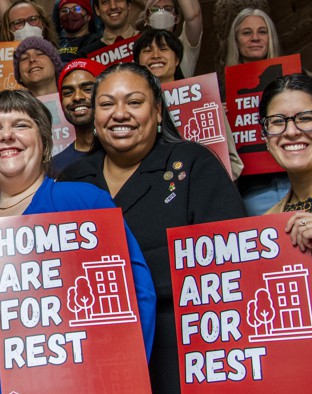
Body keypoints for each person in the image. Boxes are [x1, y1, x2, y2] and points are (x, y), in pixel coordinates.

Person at [0, 89, 156, 393]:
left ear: (44, 141)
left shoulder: (82, 201)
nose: (6, 135)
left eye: (20, 125)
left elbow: (136, 298)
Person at [58, 63, 246, 393]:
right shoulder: (72, 179)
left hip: (182, 348)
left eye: (133, 102)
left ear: (157, 112)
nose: (119, 114)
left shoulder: (192, 164)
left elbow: (231, 265)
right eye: (106, 104)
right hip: (91, 353)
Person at [133, 29, 244, 180]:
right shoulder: (132, 108)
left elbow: (233, 161)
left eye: (164, 49)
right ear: (138, 62)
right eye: (147, 50)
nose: (156, 55)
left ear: (177, 59)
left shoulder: (204, 98)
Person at [223, 8, 287, 215]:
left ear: (271, 37)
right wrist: (219, 118)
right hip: (253, 190)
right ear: (236, 40)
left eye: (262, 31)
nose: (255, 38)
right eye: (247, 33)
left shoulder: (295, 76)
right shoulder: (220, 91)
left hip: (296, 179)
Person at [261, 74, 312, 231]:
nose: (291, 132)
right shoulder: (267, 226)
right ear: (265, 136)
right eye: (277, 121)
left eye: (305, 118)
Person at [52, 58, 106, 177]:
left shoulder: (125, 153)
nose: (77, 97)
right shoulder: (55, 167)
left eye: (87, 89)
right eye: (67, 92)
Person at [136, 0, 203, 78]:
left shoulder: (184, 46)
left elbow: (193, 16)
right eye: (155, 9)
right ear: (147, 19)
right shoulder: (139, 47)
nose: (161, 13)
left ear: (177, 18)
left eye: (167, 9)